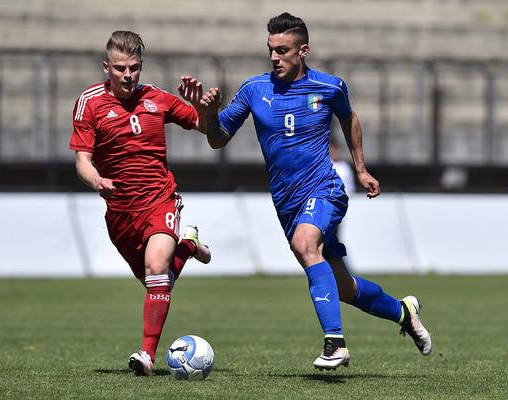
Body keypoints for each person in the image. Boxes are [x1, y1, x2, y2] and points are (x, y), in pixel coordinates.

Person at [188, 12, 432, 370]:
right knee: (344, 288)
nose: (275, 57)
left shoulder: (330, 87)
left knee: (306, 245)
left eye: (283, 50)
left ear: (303, 50)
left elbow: (349, 118)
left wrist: (361, 169)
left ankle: (335, 343)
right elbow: (217, 140)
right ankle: (403, 312)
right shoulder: (254, 90)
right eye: (270, 49)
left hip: (325, 188)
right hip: (287, 203)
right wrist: (206, 114)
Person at [69, 30, 212, 377]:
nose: (128, 75)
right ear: (107, 67)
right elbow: (82, 161)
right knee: (159, 280)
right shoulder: (89, 102)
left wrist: (204, 108)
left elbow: (207, 129)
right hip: (120, 214)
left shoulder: (157, 98)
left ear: (141, 66)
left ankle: (146, 355)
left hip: (160, 198)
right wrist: (97, 181)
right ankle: (188, 246)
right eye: (120, 68)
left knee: (156, 267)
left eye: (134, 67)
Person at [329, 136, 355, 272]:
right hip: (323, 207)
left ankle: (340, 270)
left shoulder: (344, 167)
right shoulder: (324, 165)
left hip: (337, 208)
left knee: (333, 239)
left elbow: (349, 188)